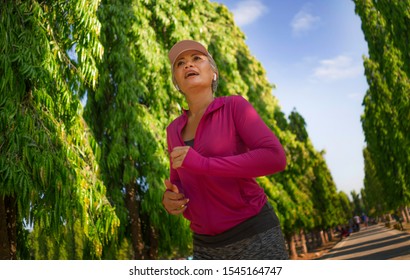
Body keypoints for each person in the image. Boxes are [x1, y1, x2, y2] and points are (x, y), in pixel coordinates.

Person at [162, 39, 288, 260]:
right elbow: (179, 180)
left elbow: (275, 157)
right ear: (177, 83)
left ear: (213, 73)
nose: (188, 65)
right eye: (180, 63)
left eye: (196, 59)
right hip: (204, 246)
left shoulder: (234, 107)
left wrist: (204, 164)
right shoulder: (172, 130)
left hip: (253, 234)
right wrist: (172, 199)